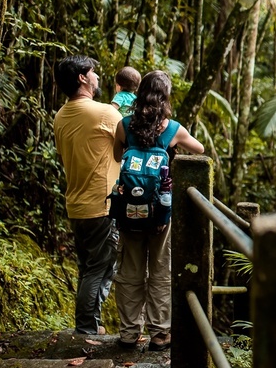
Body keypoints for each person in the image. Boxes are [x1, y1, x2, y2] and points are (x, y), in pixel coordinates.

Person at [112, 70, 204, 351]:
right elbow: (199, 149)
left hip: (129, 209)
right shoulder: (173, 129)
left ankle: (129, 333)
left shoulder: (124, 125)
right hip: (160, 211)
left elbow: (116, 156)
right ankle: (160, 334)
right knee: (161, 269)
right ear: (165, 98)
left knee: (130, 270)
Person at [52, 55, 122, 335]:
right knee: (100, 269)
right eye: (93, 72)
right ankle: (86, 329)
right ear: (82, 78)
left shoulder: (60, 116)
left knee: (87, 268)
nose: (97, 77)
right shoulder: (105, 113)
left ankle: (89, 323)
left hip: (76, 203)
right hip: (101, 204)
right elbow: (133, 142)